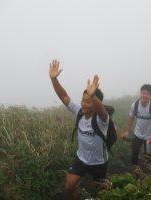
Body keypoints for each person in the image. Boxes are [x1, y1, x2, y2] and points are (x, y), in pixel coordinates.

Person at [49, 59, 109, 200]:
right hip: (81, 158)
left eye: (88, 101)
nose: (83, 103)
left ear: (96, 103)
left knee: (101, 191)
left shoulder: (102, 119)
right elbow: (64, 96)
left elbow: (102, 111)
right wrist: (54, 80)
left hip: (99, 161)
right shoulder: (80, 112)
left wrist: (93, 96)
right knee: (69, 186)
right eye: (83, 100)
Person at [121, 84, 151, 165]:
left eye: (147, 94)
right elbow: (131, 118)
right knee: (134, 152)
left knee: (149, 155)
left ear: (150, 96)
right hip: (137, 134)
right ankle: (135, 169)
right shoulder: (135, 105)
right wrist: (127, 131)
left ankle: (148, 170)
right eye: (143, 93)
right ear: (140, 93)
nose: (144, 95)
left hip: (150, 136)